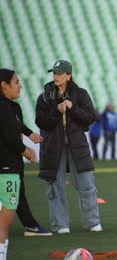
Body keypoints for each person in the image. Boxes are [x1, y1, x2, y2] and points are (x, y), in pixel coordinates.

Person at [35, 60, 102, 234]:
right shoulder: (44, 97)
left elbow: (90, 117)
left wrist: (73, 108)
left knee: (86, 183)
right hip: (52, 145)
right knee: (55, 185)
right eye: (54, 73)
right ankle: (60, 225)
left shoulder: (80, 94)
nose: (55, 76)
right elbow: (41, 121)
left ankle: (92, 222)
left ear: (68, 75)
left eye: (59, 73)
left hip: (77, 144)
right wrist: (56, 110)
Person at [0, 69, 37, 259]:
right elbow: (11, 139)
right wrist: (27, 152)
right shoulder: (5, 108)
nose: (20, 85)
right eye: (16, 82)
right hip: (6, 170)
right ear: (4, 85)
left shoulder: (11, 108)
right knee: (3, 225)